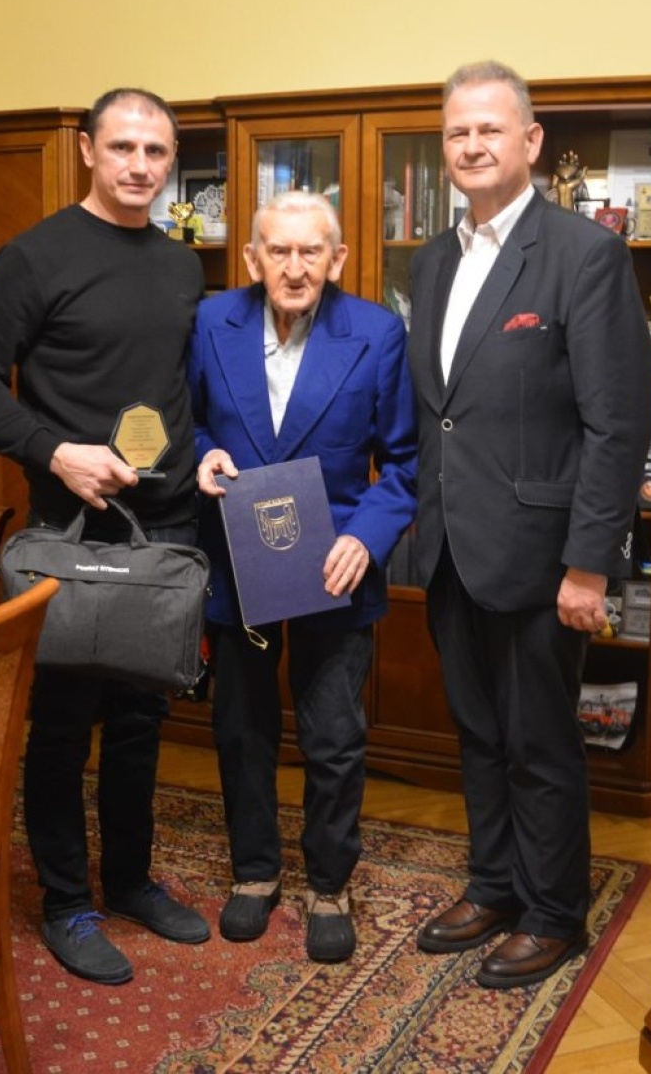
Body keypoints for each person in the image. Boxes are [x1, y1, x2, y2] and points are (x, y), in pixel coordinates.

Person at [0, 87, 210, 985]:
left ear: (171, 162)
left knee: (140, 722)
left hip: (163, 524)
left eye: (156, 151)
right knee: (61, 728)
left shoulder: (180, 267)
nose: (140, 165)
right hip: (66, 532)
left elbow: (180, 389)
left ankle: (130, 879)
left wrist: (206, 454)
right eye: (123, 147)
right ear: (89, 153)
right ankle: (66, 902)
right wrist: (55, 452)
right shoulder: (33, 256)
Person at [404, 62, 651, 988]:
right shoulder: (433, 260)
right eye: (456, 132)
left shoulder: (582, 255)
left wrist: (589, 566)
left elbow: (616, 424)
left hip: (541, 557)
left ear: (530, 141)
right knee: (477, 732)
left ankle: (552, 911)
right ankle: (494, 885)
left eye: (489, 129)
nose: (471, 146)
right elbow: (442, 413)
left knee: (540, 742)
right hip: (449, 547)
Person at [190, 191, 417, 963]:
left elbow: (404, 464)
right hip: (239, 563)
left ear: (336, 258)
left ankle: (329, 884)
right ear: (251, 258)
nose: (293, 267)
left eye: (309, 251)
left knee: (332, 736)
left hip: (333, 567)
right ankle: (254, 872)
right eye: (277, 251)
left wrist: (366, 538)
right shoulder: (210, 322)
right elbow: (189, 420)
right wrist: (202, 456)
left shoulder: (376, 334)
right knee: (241, 726)